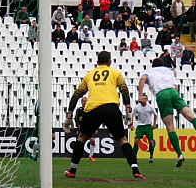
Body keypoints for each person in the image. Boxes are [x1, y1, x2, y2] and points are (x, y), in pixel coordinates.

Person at [63, 51, 144, 179]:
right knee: (122, 139)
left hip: (93, 108)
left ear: (97, 62)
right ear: (110, 62)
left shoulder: (89, 75)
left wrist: (69, 114)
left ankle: (72, 170)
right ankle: (136, 170)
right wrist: (128, 109)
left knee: (82, 137)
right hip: (111, 107)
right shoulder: (115, 73)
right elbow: (124, 90)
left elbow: (77, 94)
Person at [139, 57, 196, 167]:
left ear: (153, 65)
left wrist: (140, 94)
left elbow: (142, 79)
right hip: (173, 92)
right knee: (191, 117)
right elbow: (176, 86)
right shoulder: (168, 71)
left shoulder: (150, 71)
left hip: (162, 94)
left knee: (170, 127)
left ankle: (180, 154)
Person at [131, 94, 158, 163]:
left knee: (151, 142)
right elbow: (132, 115)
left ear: (146, 100)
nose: (141, 100)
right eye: (141, 98)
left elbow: (155, 115)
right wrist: (132, 124)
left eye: (143, 99)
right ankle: (134, 157)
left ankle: (151, 157)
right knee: (136, 141)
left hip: (148, 126)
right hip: (140, 126)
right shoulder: (137, 107)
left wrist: (154, 124)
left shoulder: (150, 107)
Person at [74, 97, 99, 162]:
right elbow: (76, 118)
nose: (84, 103)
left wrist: (96, 128)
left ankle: (91, 156)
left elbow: (95, 119)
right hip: (82, 128)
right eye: (83, 101)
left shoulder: (91, 109)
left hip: (90, 128)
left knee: (92, 140)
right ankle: (77, 156)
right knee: (79, 142)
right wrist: (78, 125)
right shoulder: (79, 110)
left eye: (86, 101)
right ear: (81, 102)